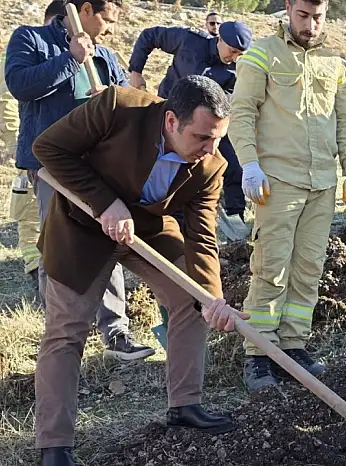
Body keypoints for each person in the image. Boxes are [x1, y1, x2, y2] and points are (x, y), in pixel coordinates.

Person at [31, 76, 247, 466]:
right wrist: (104, 202)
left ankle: (185, 405)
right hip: (81, 227)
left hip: (147, 229)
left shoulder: (210, 166)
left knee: (192, 301)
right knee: (67, 331)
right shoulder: (117, 107)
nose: (210, 149)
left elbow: (202, 235)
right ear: (170, 122)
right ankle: (55, 446)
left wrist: (212, 296)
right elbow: (47, 148)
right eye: (201, 137)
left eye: (217, 138)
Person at [5, 0, 153, 361]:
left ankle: (116, 332)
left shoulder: (104, 54)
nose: (111, 29)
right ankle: (61, 330)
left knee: (109, 238)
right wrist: (70, 58)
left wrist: (115, 99)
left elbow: (125, 98)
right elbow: (20, 85)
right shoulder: (32, 39)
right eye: (107, 18)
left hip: (99, 165)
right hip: (52, 165)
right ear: (86, 10)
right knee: (56, 247)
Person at [228, 0, 346, 391]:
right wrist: (249, 164)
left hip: (322, 183)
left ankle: (293, 345)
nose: (310, 25)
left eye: (318, 17)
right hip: (277, 180)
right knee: (271, 264)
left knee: (308, 267)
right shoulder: (261, 54)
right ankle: (259, 353)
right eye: (303, 15)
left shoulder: (335, 63)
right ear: (288, 8)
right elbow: (242, 112)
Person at [129, 21, 252, 240]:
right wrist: (136, 71)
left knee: (233, 164)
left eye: (239, 54)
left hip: (207, 128)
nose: (234, 57)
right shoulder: (189, 40)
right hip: (170, 121)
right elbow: (150, 35)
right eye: (232, 51)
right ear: (220, 39)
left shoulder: (235, 70)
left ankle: (235, 217)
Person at [3, 0, 76, 288]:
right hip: (33, 149)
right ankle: (38, 273)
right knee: (34, 218)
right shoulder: (27, 44)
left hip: (48, 150)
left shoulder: (92, 52)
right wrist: (13, 142)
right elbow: (11, 97)